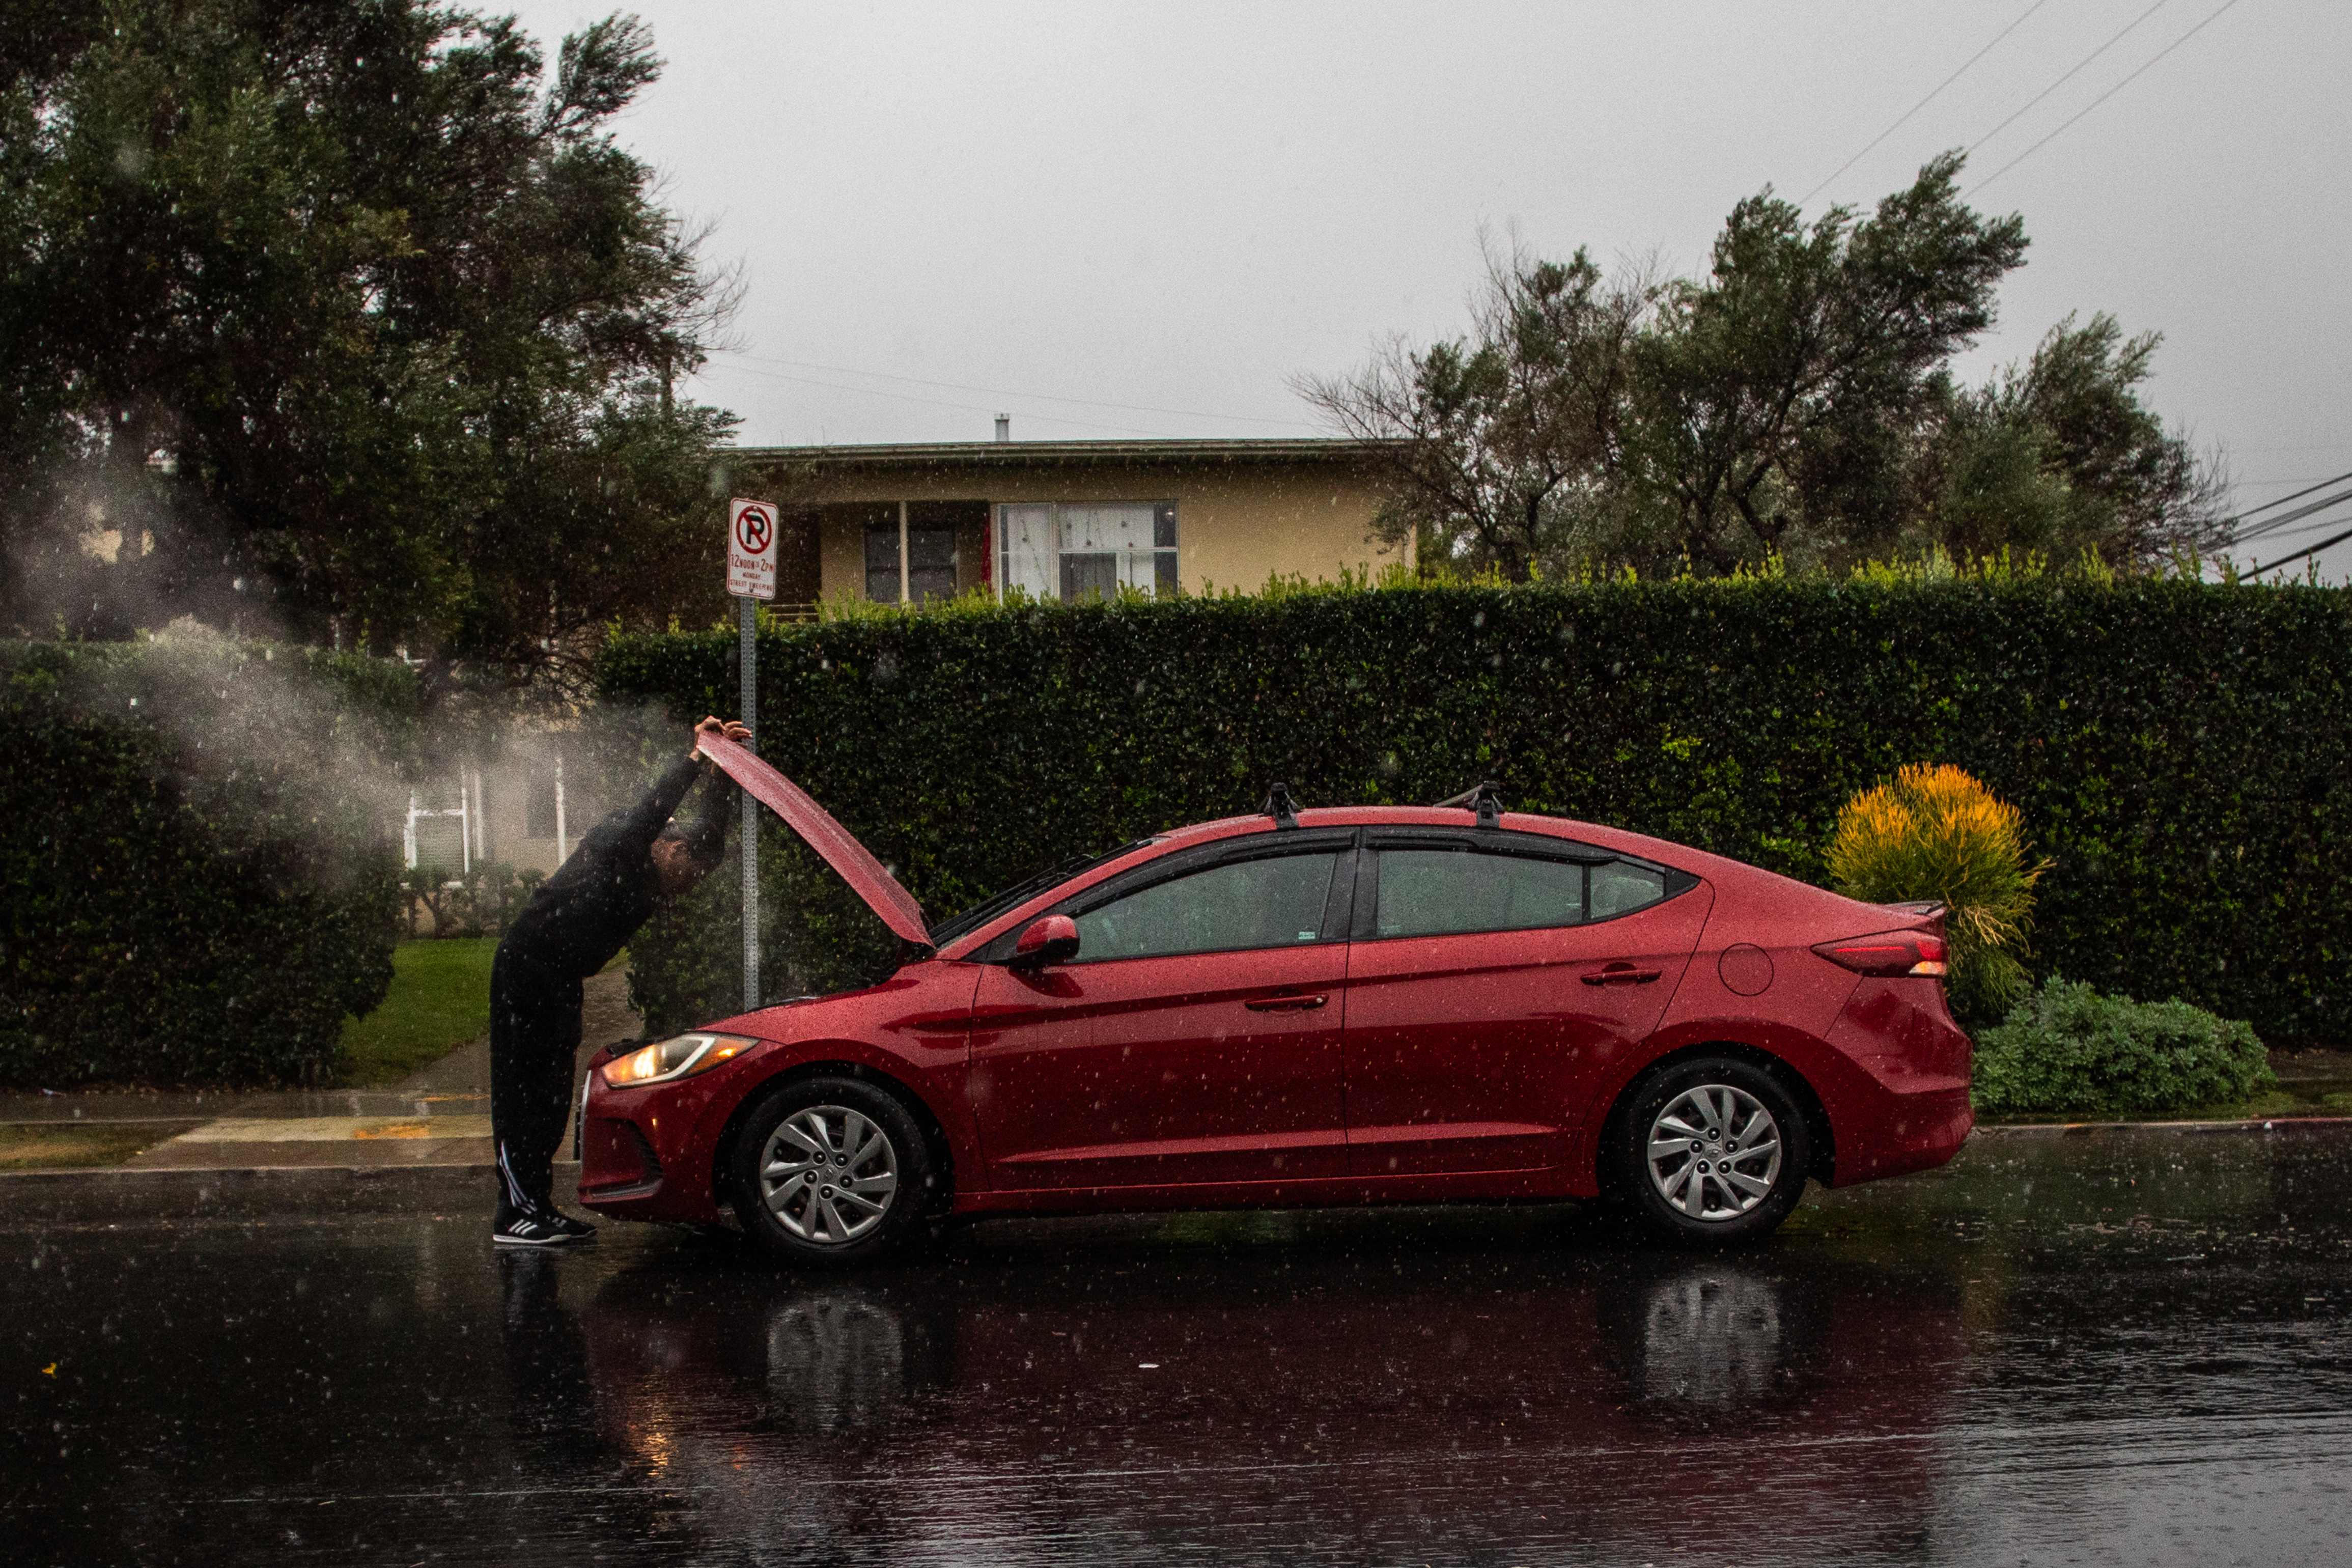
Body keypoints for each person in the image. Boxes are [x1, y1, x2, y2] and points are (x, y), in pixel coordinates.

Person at [490, 715, 748, 1246]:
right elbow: (646, 817)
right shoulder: (620, 843)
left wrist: (724, 770)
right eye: (690, 874)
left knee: (554, 1093)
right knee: (525, 1090)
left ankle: (536, 1205)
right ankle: (515, 1212)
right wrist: (696, 759)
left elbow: (711, 840)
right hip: (528, 965)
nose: (687, 888)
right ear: (672, 850)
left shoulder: (659, 869)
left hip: (561, 974)